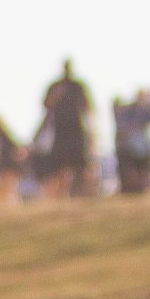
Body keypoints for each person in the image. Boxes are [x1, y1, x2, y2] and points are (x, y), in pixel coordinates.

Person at [39, 59, 95, 198]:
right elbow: (46, 105)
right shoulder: (56, 86)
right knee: (61, 167)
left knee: (81, 166)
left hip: (76, 130)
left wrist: (92, 131)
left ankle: (83, 195)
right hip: (61, 131)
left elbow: (88, 107)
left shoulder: (78, 86)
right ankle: (62, 196)